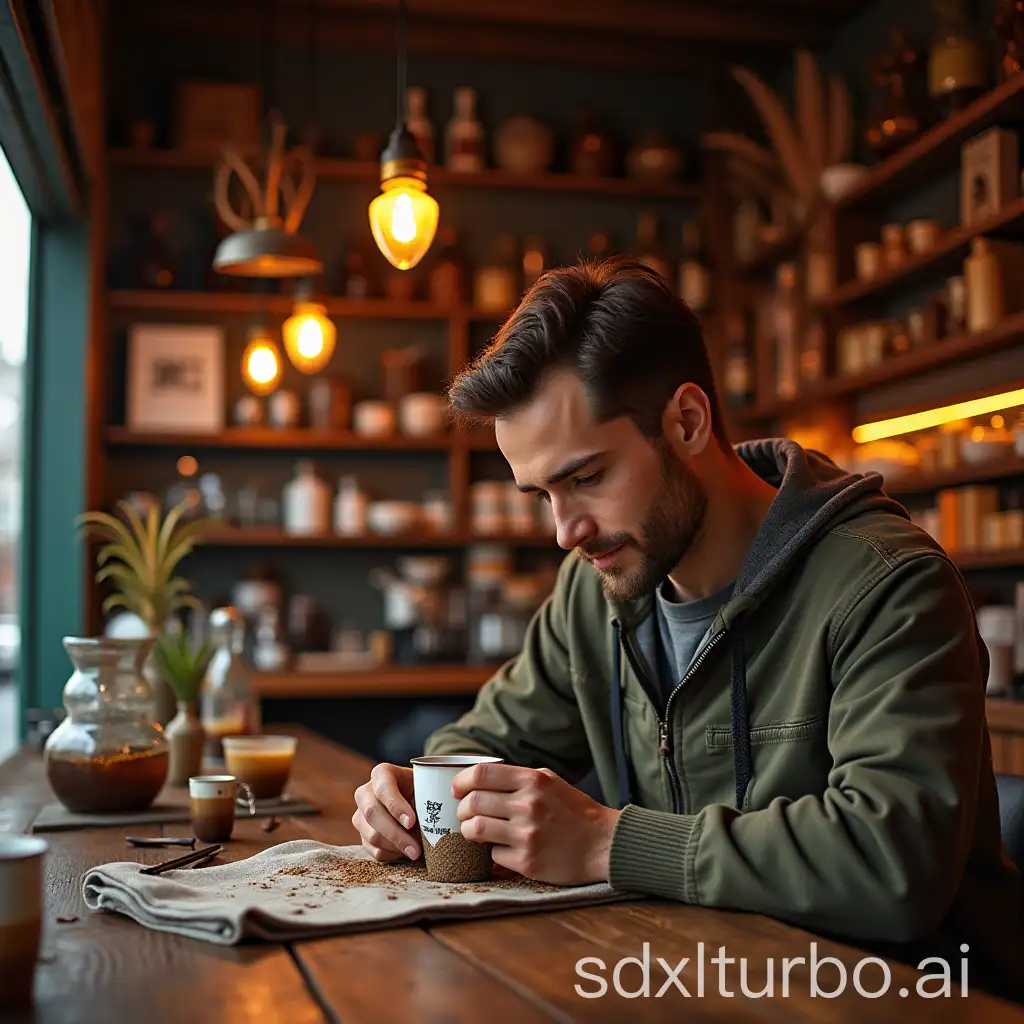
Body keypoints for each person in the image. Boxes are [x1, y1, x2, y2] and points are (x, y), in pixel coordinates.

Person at [352, 256, 1024, 1002]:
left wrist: (609, 841)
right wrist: (412, 798)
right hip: (689, 985)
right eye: (541, 492)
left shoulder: (887, 584)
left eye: (587, 477)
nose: (564, 531)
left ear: (688, 421)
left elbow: (893, 865)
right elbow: (482, 744)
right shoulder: (596, 587)